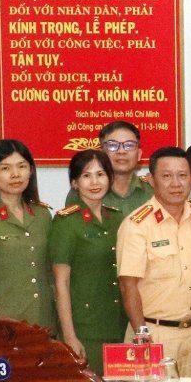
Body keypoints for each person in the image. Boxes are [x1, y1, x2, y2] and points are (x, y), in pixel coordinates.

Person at [116, 147, 191, 376]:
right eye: (166, 176)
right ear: (151, 180)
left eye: (182, 175)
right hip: (154, 333)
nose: (176, 184)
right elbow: (128, 285)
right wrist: (142, 335)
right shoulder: (136, 225)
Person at [49, 150, 128, 370]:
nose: (95, 182)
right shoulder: (66, 222)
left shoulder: (117, 218)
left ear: (110, 178)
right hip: (86, 328)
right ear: (75, 183)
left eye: (100, 174)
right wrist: (69, 336)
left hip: (120, 323)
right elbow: (61, 283)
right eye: (86, 176)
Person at [0, 139, 53, 326]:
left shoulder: (42, 214)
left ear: (31, 170)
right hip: (1, 326)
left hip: (43, 323)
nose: (15, 174)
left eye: (22, 166)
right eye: (5, 168)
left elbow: (50, 272)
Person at [71, 121, 152, 213]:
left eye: (129, 145)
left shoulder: (154, 190)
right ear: (101, 153)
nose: (121, 151)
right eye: (113, 145)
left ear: (139, 154)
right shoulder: (83, 191)